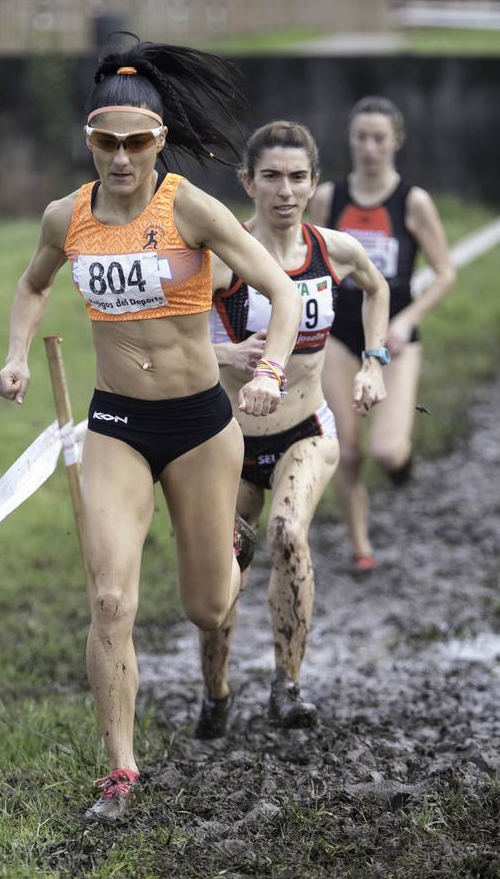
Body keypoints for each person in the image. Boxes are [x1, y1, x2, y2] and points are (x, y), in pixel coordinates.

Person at [0, 40, 303, 821]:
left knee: (206, 609)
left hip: (200, 427)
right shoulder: (67, 216)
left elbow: (279, 290)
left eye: (136, 142)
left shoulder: (189, 207)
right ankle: (122, 771)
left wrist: (266, 374)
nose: (121, 157)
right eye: (106, 141)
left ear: (158, 141)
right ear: (89, 140)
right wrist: (16, 356)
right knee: (108, 600)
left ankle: (230, 547)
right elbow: (33, 286)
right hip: (118, 427)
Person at [195, 121, 389, 738]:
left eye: (298, 177)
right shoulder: (223, 260)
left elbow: (378, 288)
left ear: (314, 182)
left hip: (306, 427)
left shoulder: (334, 250)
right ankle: (216, 693)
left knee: (285, 534)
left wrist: (373, 361)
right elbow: (169, 337)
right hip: (228, 443)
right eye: (271, 177)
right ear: (247, 182)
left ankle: (287, 686)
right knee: (224, 568)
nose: (285, 190)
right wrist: (227, 356)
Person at [310, 97, 455, 571]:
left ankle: (402, 467)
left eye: (379, 138)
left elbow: (445, 272)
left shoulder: (411, 201)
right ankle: (361, 547)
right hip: (339, 334)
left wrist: (408, 318)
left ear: (396, 142)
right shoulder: (331, 198)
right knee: (347, 451)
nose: (369, 148)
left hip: (394, 338)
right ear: (350, 141)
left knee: (387, 451)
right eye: (361, 137)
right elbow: (305, 256)